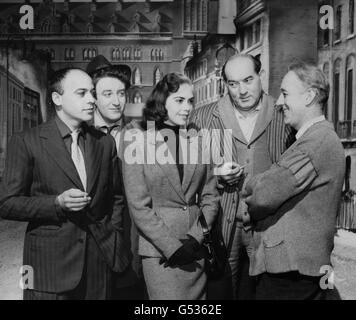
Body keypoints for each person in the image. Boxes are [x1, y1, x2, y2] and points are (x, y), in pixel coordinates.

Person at [0, 68, 130, 300]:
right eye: (82, 93)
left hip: (98, 263)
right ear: (57, 99)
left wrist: (113, 235)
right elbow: (7, 203)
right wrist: (56, 203)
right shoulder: (25, 141)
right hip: (48, 269)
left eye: (92, 93)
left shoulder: (104, 143)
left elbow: (116, 197)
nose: (92, 99)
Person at [189, 54, 295, 299]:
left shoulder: (284, 114)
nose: (241, 90)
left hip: (271, 225)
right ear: (225, 84)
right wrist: (216, 175)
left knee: (268, 292)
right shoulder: (203, 117)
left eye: (248, 80)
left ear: (261, 76)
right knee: (222, 293)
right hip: (223, 224)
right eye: (233, 83)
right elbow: (190, 173)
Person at [243, 62, 345, 300]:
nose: (279, 102)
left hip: (290, 272)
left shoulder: (315, 143)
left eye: (286, 94)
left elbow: (263, 194)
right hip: (297, 270)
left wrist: (248, 184)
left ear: (309, 96)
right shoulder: (314, 139)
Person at [123, 73, 220, 300]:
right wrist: (172, 247)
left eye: (190, 101)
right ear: (162, 101)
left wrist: (196, 238)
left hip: (196, 249)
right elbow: (138, 206)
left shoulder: (199, 138)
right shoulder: (137, 140)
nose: (187, 107)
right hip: (160, 254)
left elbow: (210, 196)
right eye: (179, 100)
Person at [86, 55, 144, 299]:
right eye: (107, 94)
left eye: (121, 94)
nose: (116, 101)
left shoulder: (140, 134)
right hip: (93, 237)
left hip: (134, 234)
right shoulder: (81, 135)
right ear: (94, 96)